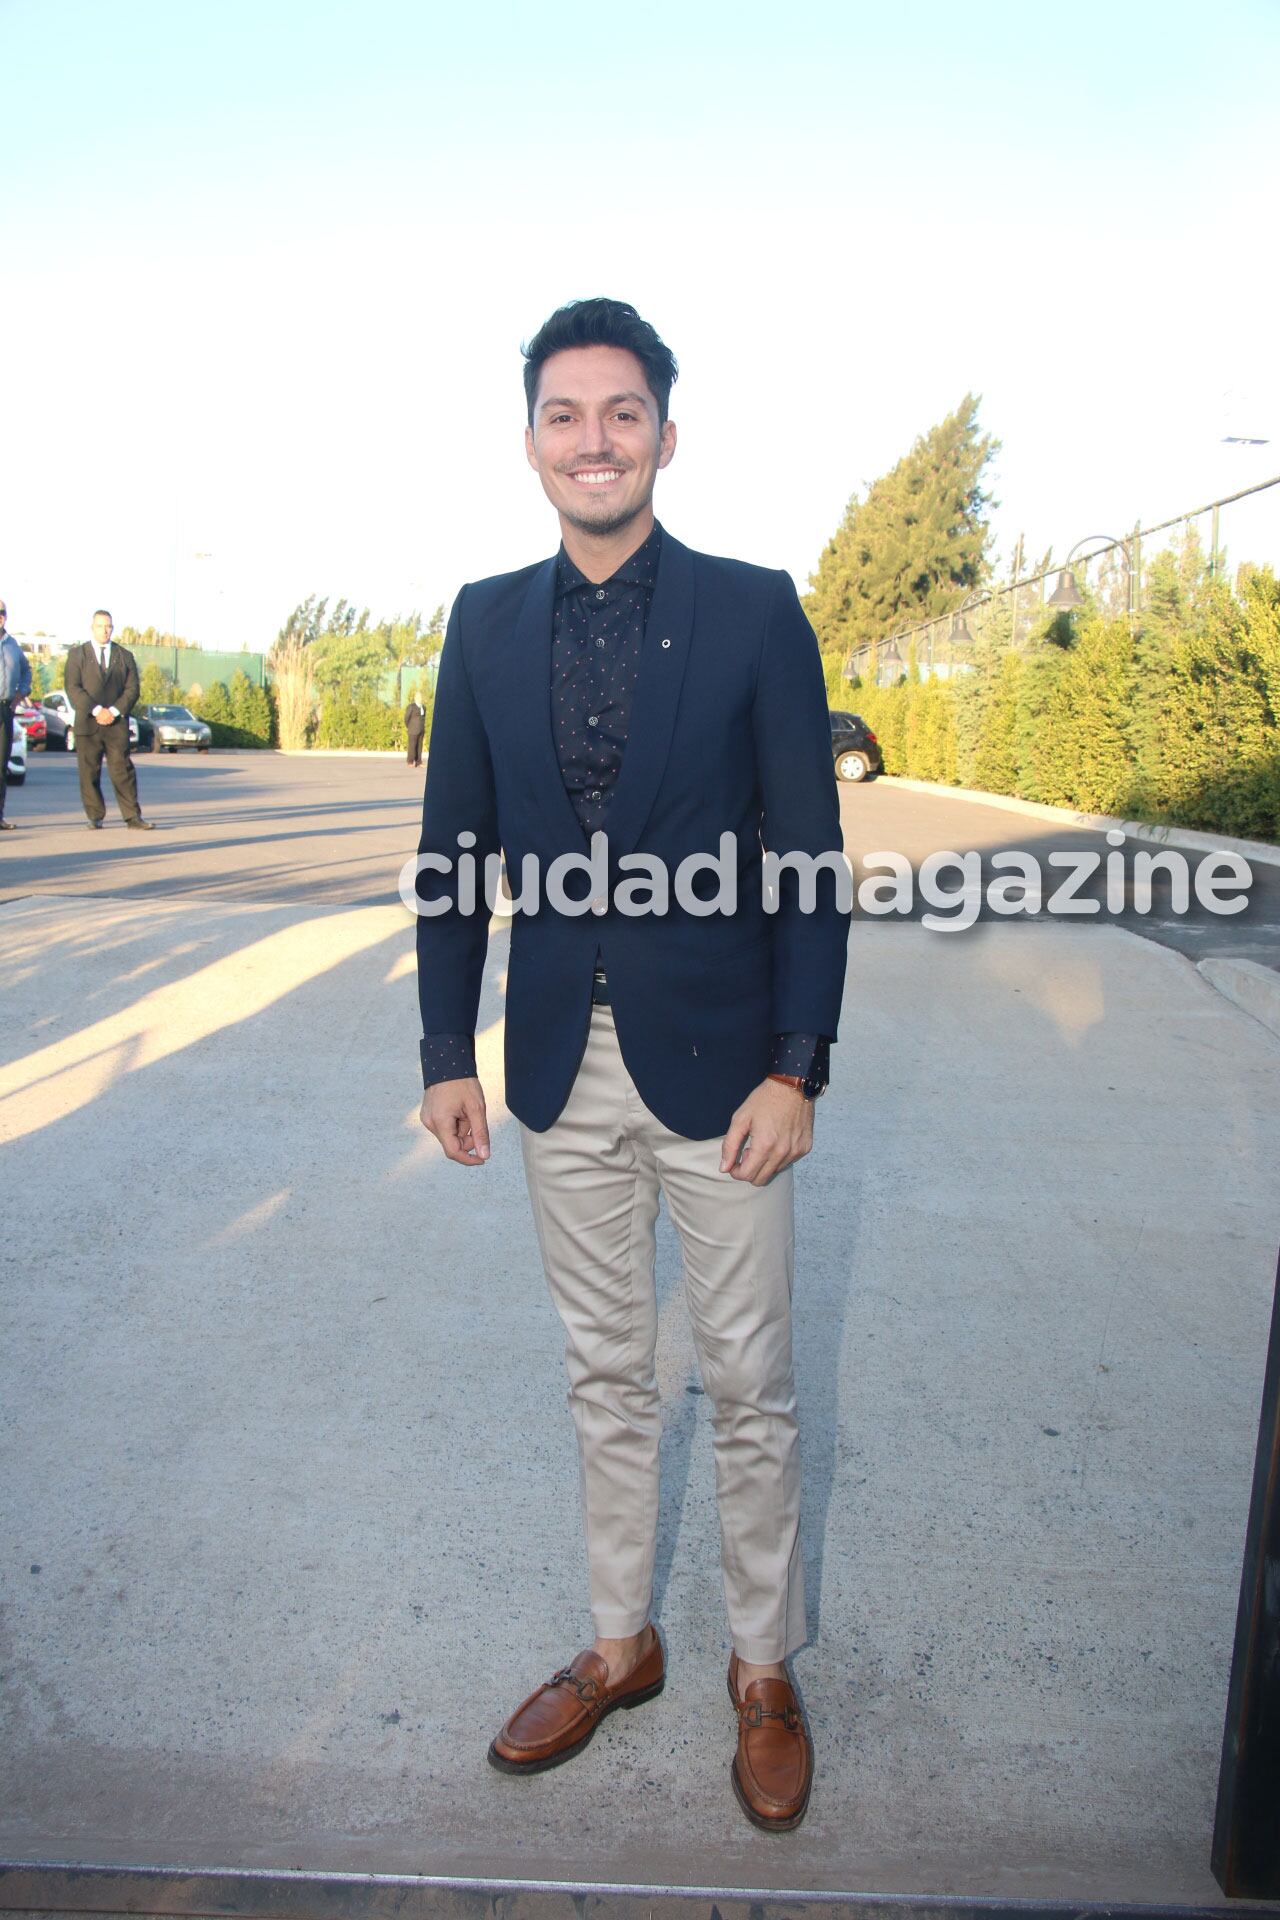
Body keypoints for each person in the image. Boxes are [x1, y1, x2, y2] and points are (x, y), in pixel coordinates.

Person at [414, 298, 848, 1831]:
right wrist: (442, 1046)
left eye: (620, 413)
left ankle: (761, 1668)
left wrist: (798, 1064)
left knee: (748, 1381)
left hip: (727, 1073)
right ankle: (621, 1643)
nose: (591, 439)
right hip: (551, 1072)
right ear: (530, 440)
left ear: (667, 433)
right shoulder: (481, 619)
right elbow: (453, 852)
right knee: (605, 1372)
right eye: (562, 413)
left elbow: (807, 854)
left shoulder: (749, 611)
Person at [63, 611, 154, 830]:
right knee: (89, 771)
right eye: (101, 626)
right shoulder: (78, 655)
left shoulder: (124, 656)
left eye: (109, 626)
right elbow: (73, 688)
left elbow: (133, 689)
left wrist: (113, 711)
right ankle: (95, 816)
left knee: (122, 770)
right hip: (88, 723)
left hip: (116, 724)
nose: (105, 630)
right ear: (92, 627)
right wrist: (96, 710)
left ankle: (132, 816)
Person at [0, 599, 33, 831]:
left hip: (5, 709)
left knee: (1, 766)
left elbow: (26, 671)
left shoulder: (13, 645)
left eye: (2, 612)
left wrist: (20, 694)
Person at [404, 698, 425, 767]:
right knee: (412, 746)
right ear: (416, 698)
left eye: (421, 697)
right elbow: (406, 717)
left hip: (421, 729)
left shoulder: (423, 707)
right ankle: (410, 761)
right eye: (419, 696)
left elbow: (423, 718)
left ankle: (419, 762)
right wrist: (408, 726)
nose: (420, 698)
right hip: (412, 729)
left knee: (419, 746)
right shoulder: (411, 706)